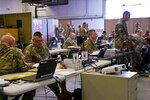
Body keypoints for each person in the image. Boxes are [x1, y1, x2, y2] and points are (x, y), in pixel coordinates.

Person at [23, 31, 73, 100]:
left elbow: (49, 58)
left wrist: (59, 62)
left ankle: (64, 91)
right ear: (33, 40)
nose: (40, 42)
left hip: (46, 67)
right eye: (38, 41)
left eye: (41, 41)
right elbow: (26, 64)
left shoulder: (44, 47)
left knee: (61, 75)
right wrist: (36, 65)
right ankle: (59, 95)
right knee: (50, 77)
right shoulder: (29, 49)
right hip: (34, 70)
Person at [0, 33, 34, 100]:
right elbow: (23, 69)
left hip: (1, 81)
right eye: (14, 43)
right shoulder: (15, 51)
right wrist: (29, 65)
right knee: (31, 89)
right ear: (10, 43)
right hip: (9, 80)